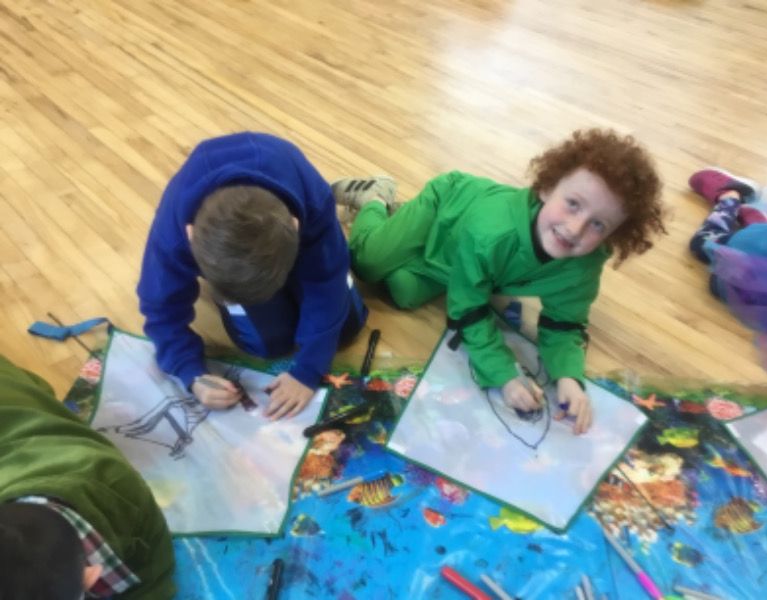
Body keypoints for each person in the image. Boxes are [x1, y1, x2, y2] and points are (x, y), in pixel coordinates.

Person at [338, 129, 665, 434]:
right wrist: (503, 374)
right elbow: (468, 309)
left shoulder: (585, 263)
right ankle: (376, 199)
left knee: (403, 291)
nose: (575, 229)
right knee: (366, 263)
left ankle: (404, 232)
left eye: (598, 224)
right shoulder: (492, 232)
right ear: (547, 187)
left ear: (613, 235)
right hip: (446, 208)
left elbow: (565, 323)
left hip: (463, 260)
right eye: (573, 204)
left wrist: (568, 376)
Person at [137, 132, 370, 420]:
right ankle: (251, 293)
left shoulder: (313, 200)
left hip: (298, 229)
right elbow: (159, 309)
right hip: (253, 253)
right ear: (191, 235)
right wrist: (190, 372)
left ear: (295, 226)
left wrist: (308, 371)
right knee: (267, 344)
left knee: (348, 326)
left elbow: (327, 281)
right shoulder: (172, 233)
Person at [0, 355, 175, 599]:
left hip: (20, 402)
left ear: (91, 576)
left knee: (34, 396)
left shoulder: (124, 497)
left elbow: (154, 574)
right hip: (14, 399)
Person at [688, 167, 767, 409]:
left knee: (721, 277)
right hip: (754, 257)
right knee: (702, 246)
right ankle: (730, 195)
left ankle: (753, 218)